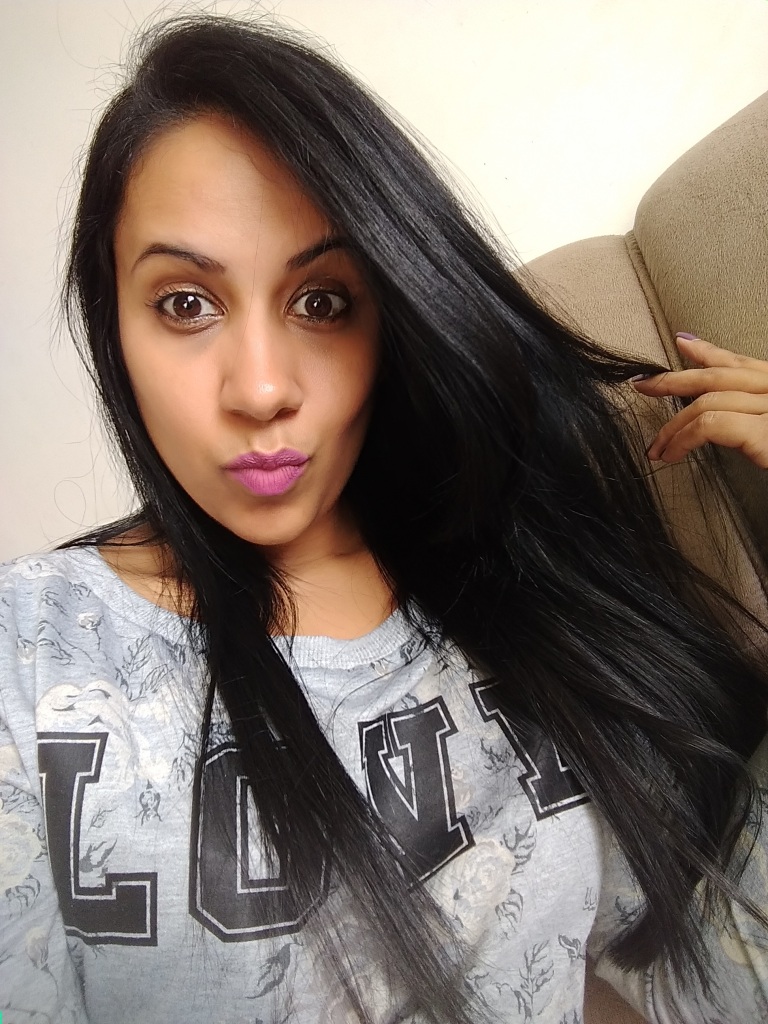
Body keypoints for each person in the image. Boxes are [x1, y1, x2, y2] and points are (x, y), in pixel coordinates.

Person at [0, 13, 766, 1024]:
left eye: (322, 301)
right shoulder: (29, 655)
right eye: (186, 303)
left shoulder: (510, 562)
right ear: (113, 322)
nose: (262, 388)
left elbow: (701, 944)